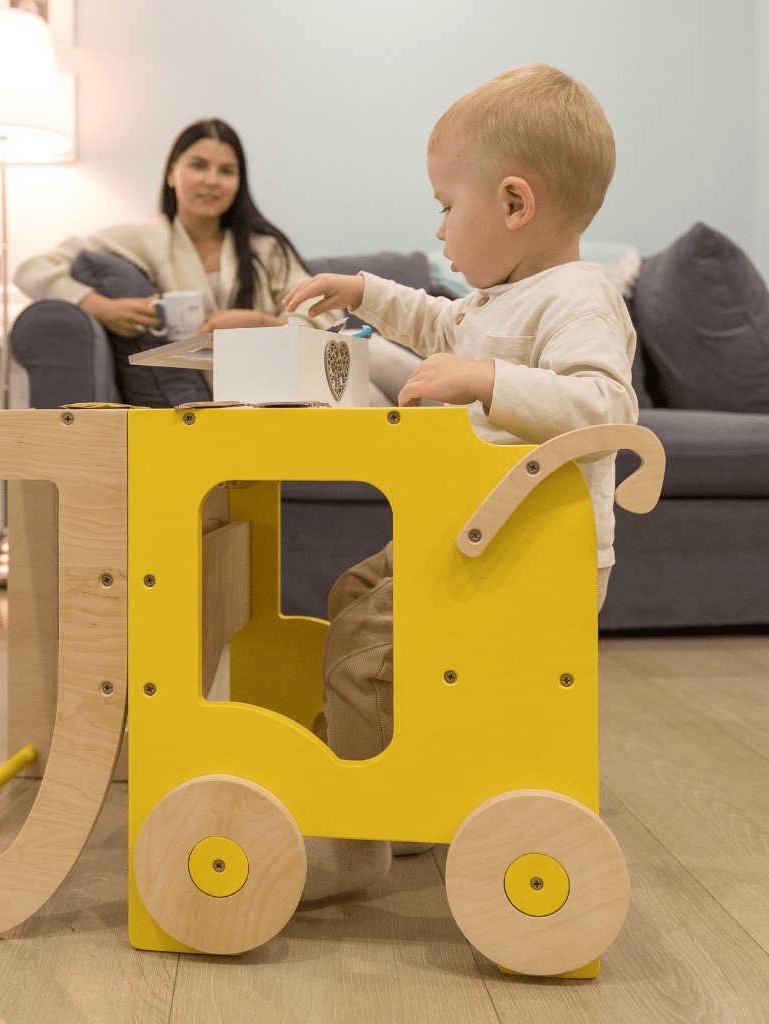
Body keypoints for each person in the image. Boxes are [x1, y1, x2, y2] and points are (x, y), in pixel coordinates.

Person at [283, 64, 637, 901]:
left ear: (515, 204)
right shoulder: (502, 297)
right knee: (353, 592)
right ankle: (411, 781)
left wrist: (484, 382)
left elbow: (606, 403)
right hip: (473, 537)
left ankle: (356, 830)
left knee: (363, 656)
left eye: (446, 204)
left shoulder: (576, 297)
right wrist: (362, 292)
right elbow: (437, 318)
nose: (439, 227)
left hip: (527, 557)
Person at [14, 118, 338, 404]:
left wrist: (257, 323)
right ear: (172, 173)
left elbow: (326, 326)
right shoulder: (142, 240)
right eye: (198, 165)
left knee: (374, 357)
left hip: (279, 394)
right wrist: (99, 306)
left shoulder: (265, 249)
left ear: (239, 183)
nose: (212, 180)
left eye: (226, 171)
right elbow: (31, 270)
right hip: (199, 402)